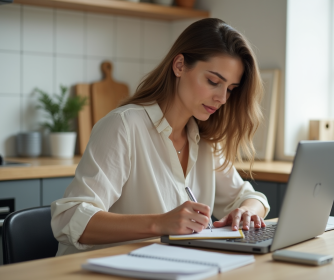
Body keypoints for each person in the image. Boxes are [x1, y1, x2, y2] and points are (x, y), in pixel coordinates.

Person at [51, 18, 270, 256]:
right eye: (213, 82)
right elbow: (69, 218)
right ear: (179, 65)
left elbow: (250, 197)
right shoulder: (124, 126)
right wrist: (160, 224)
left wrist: (247, 211)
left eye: (230, 89)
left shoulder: (205, 138)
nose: (222, 98)